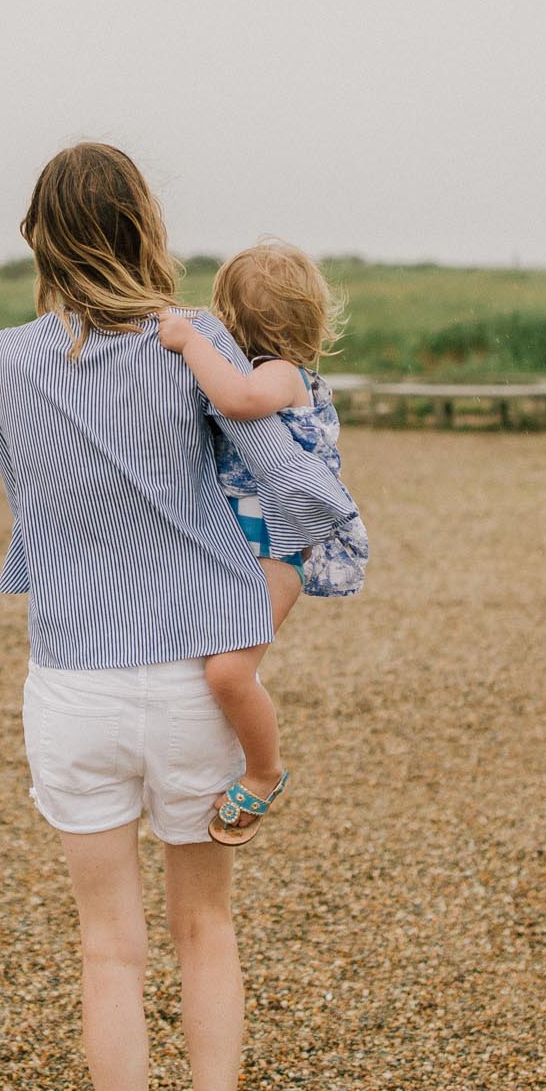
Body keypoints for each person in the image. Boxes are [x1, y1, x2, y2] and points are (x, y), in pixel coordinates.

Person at [0, 143, 359, 1091]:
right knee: (204, 930)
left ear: (39, 239)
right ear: (145, 221)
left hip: (74, 684)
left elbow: (32, 506)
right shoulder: (199, 342)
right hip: (193, 679)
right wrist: (279, 566)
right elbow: (304, 492)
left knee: (108, 950)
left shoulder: (3, 359)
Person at [157, 239, 369, 845]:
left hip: (279, 552)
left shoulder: (278, 374)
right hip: (238, 547)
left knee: (228, 672)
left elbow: (238, 400)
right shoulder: (251, 368)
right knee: (204, 658)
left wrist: (192, 342)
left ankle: (264, 768)